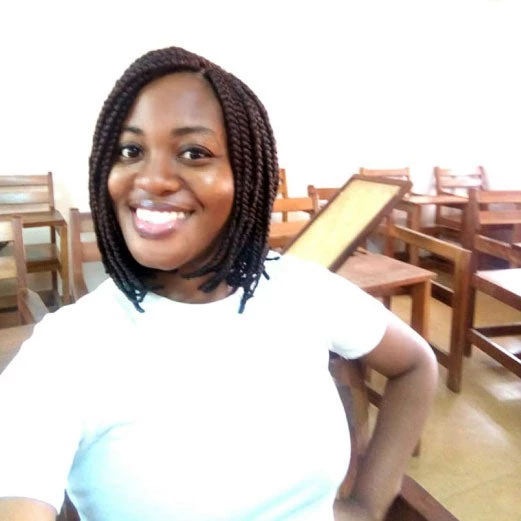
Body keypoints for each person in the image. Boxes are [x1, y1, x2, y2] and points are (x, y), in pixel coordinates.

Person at [0, 46, 438, 521]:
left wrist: (367, 506)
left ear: (247, 176)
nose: (153, 179)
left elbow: (415, 365)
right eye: (130, 151)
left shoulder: (302, 290)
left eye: (194, 153)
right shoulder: (67, 349)